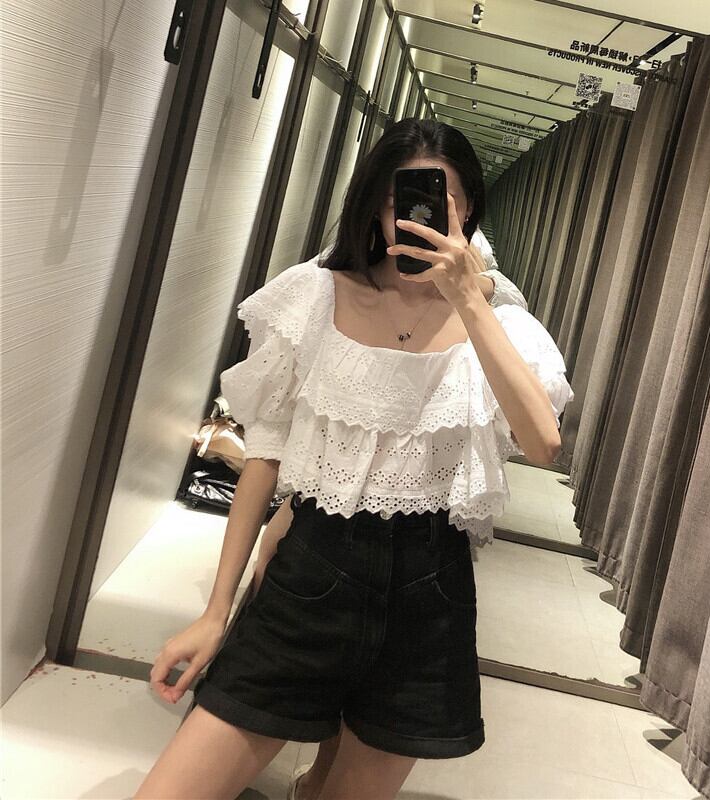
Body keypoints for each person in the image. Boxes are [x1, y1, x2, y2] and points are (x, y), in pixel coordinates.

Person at [136, 118, 574, 800]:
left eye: (441, 201)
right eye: (401, 200)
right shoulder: (315, 295)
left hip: (429, 595)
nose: (417, 217)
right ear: (374, 206)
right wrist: (216, 611)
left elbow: (542, 442)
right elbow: (266, 454)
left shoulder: (502, 326)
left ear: (468, 211)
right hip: (312, 570)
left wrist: (470, 298)